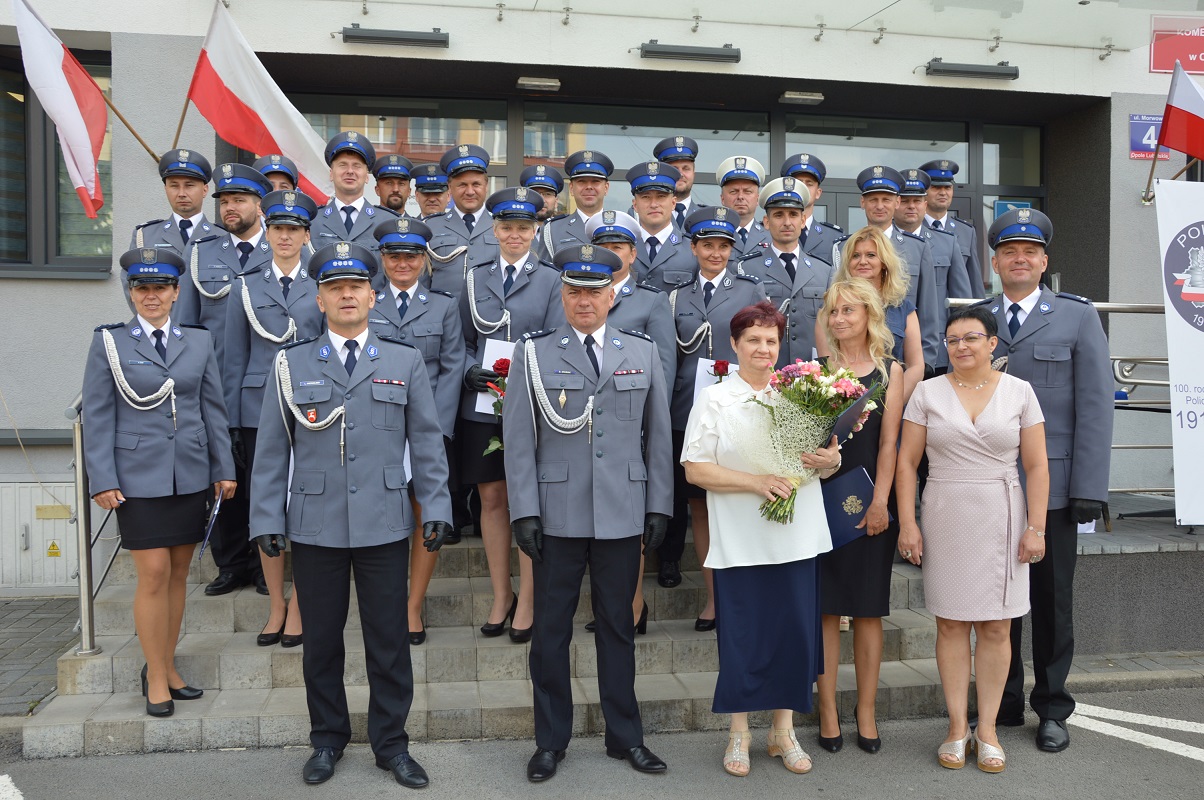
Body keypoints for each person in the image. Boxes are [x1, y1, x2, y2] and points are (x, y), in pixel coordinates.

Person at [249, 242, 453, 788]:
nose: (346, 295)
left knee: (388, 641)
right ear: (319, 298)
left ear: (372, 295)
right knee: (321, 641)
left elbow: (427, 444)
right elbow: (272, 450)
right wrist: (265, 517)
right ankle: (327, 740)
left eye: (356, 287)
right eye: (335, 287)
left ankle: (392, 745)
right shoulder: (290, 364)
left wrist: (436, 504)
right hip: (315, 524)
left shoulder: (402, 359)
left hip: (384, 520)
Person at [502, 244, 672, 783]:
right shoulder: (534, 353)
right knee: (550, 631)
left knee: (618, 627)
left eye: (594, 291)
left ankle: (627, 737)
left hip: (622, 511)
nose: (584, 300)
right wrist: (524, 510)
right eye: (574, 290)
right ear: (562, 294)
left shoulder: (641, 351)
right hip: (556, 514)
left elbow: (658, 437)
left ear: (611, 295)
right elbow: (518, 440)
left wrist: (658, 503)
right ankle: (550, 742)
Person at [681, 300, 838, 778]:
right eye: (753, 340)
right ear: (734, 344)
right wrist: (755, 482)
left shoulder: (800, 393)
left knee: (794, 632)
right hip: (740, 537)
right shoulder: (714, 398)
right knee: (743, 635)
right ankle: (739, 733)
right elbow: (694, 468)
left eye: (771, 340)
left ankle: (783, 731)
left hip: (796, 535)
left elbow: (826, 456)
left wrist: (831, 462)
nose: (763, 349)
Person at [895, 304, 1049, 774]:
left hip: (1002, 514)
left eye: (971, 338)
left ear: (992, 344)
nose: (961, 347)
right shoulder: (926, 392)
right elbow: (905, 464)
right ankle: (956, 726)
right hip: (945, 511)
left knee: (998, 627)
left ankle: (988, 731)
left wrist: (1036, 527)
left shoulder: (1020, 392)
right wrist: (908, 522)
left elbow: (1038, 465)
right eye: (953, 339)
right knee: (951, 625)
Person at [83, 248, 237, 717]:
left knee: (176, 576)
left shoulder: (198, 340)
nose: (151, 296)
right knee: (151, 574)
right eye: (141, 288)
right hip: (136, 477)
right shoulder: (110, 342)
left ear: (175, 292)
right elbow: (98, 412)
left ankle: (168, 668)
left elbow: (213, 407)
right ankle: (154, 676)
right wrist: (101, 477)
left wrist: (223, 466)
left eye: (160, 288)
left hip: (189, 472)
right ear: (131, 294)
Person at [986, 208, 1113, 753]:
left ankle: (1053, 707)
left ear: (1044, 261)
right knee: (997, 601)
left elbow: (1096, 404)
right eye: (1009, 251)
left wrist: (1090, 486)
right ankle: (1004, 700)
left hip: (1056, 489)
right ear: (995, 262)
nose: (1019, 259)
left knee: (1052, 602)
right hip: (988, 486)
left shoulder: (1077, 317)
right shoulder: (978, 318)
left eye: (1029, 252)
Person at [459, 187, 564, 644]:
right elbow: (458, 341)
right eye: (507, 227)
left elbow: (560, 341)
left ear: (536, 230)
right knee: (493, 499)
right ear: (494, 229)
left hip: (535, 404)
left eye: (524, 227)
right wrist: (469, 371)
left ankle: (530, 599)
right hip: (483, 406)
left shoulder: (552, 280)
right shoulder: (472, 276)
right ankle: (502, 595)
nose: (515, 234)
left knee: (529, 499)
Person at [223, 189, 323, 648]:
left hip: (310, 408)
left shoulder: (322, 282)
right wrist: (230, 424)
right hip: (256, 407)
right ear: (268, 231)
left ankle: (301, 604)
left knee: (304, 504)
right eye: (278, 228)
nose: (285, 236)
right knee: (266, 503)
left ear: (306, 234)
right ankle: (275, 607)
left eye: (294, 229)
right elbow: (233, 359)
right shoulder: (245, 285)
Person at [813, 279, 905, 755]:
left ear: (869, 314)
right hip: (820, 504)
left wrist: (881, 503)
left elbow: (890, 444)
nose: (840, 319)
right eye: (833, 311)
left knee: (868, 611)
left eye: (849, 310)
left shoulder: (891, 372)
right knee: (826, 610)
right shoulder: (815, 371)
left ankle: (864, 710)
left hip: (870, 502)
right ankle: (827, 711)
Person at [664, 208, 767, 628]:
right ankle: (712, 597)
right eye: (707, 244)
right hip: (687, 409)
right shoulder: (674, 296)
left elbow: (764, 347)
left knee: (736, 502)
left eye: (723, 245)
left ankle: (740, 594)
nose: (715, 252)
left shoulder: (749, 288)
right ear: (694, 247)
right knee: (700, 507)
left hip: (738, 411)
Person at [368, 216, 466, 642]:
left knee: (426, 512)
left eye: (411, 255)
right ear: (383, 259)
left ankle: (412, 606)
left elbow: (452, 365)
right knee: (387, 514)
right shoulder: (365, 301)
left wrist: (436, 427)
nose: (403, 263)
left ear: (424, 260)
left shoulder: (443, 306)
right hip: (377, 426)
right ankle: (389, 600)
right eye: (394, 255)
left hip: (426, 426)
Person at [579, 210, 675, 626]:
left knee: (628, 516)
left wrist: (645, 422)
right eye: (603, 246)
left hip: (630, 423)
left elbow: (663, 368)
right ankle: (607, 604)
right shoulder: (575, 293)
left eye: (619, 247)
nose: (611, 253)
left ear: (633, 254)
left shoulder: (651, 300)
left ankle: (632, 606)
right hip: (581, 425)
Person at [185, 163, 274, 599]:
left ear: (260, 203)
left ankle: (263, 564)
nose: (229, 208)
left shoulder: (279, 250)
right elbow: (186, 324)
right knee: (221, 478)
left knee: (261, 477)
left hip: (262, 390)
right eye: (223, 201)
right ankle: (230, 562)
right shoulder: (202, 253)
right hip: (214, 386)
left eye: (239, 200)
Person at [838, 166, 939, 370]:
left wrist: (925, 364)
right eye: (873, 200)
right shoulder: (843, 247)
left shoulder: (917, 248)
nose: (879, 206)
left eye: (886, 199)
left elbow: (928, 308)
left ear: (897, 202)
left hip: (903, 357)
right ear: (862, 203)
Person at [740, 176, 834, 366]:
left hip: (813, 379)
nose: (787, 222)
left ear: (803, 220)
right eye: (778, 215)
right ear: (766, 222)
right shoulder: (747, 268)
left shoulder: (824, 271)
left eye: (793, 214)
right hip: (765, 374)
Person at [824, 227, 925, 402]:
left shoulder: (904, 308)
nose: (862, 261)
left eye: (871, 255)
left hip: (892, 403)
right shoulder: (831, 308)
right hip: (841, 405)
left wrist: (890, 404)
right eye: (856, 256)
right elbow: (828, 365)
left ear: (884, 262)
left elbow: (916, 366)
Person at [895, 167, 973, 374]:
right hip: (890, 349)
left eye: (917, 201)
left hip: (937, 352)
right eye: (904, 201)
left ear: (925, 204)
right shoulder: (880, 243)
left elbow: (962, 303)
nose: (911, 206)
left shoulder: (947, 243)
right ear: (895, 203)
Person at [426, 144, 497, 295]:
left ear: (486, 186)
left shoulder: (503, 225)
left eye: (476, 184)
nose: (470, 191)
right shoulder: (430, 227)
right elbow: (422, 282)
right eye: (462, 185)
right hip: (444, 316)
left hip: (491, 317)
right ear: (450, 188)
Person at [309, 131, 395, 247]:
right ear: (331, 174)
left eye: (356, 166)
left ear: (366, 176)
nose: (350, 171)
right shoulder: (312, 222)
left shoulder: (387, 222)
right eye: (343, 165)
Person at [627, 161, 697, 292]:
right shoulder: (623, 249)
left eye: (661, 196)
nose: (654, 204)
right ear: (635, 205)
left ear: (673, 203)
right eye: (646, 197)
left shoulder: (693, 250)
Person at [921, 159, 986, 298]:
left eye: (947, 187)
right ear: (924, 191)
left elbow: (974, 281)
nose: (943, 193)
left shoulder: (966, 232)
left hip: (958, 315)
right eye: (936, 187)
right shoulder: (912, 230)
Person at [533, 149, 613, 259]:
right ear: (571, 188)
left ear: (606, 188)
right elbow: (546, 274)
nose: (589, 187)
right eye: (582, 182)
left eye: (595, 181)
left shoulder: (621, 226)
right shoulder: (552, 230)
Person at [779, 153, 843, 263]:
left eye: (809, 184)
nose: (803, 188)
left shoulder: (834, 237)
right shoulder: (770, 231)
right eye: (798, 183)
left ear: (818, 193)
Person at [714, 156, 771, 265]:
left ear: (757, 198)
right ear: (722, 198)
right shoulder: (712, 236)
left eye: (747, 191)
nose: (740, 196)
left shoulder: (772, 237)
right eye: (733, 191)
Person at [653, 134, 703, 228]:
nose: (680, 174)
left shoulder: (706, 216)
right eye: (674, 169)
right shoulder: (643, 214)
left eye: (686, 168)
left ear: (693, 173)